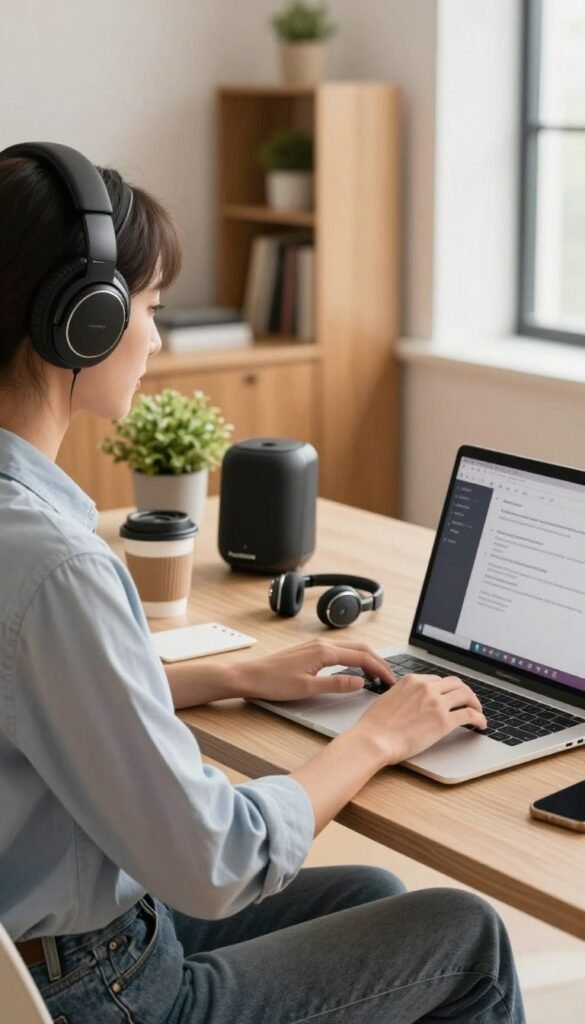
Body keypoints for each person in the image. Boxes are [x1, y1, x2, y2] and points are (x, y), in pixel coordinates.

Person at [0, 144, 526, 1024]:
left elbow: (35, 698)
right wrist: (374, 740)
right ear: (83, 322)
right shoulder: (55, 563)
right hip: (93, 991)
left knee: (369, 891)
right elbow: (216, 860)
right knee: (463, 933)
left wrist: (233, 675)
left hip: (55, 949)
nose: (157, 339)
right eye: (151, 308)